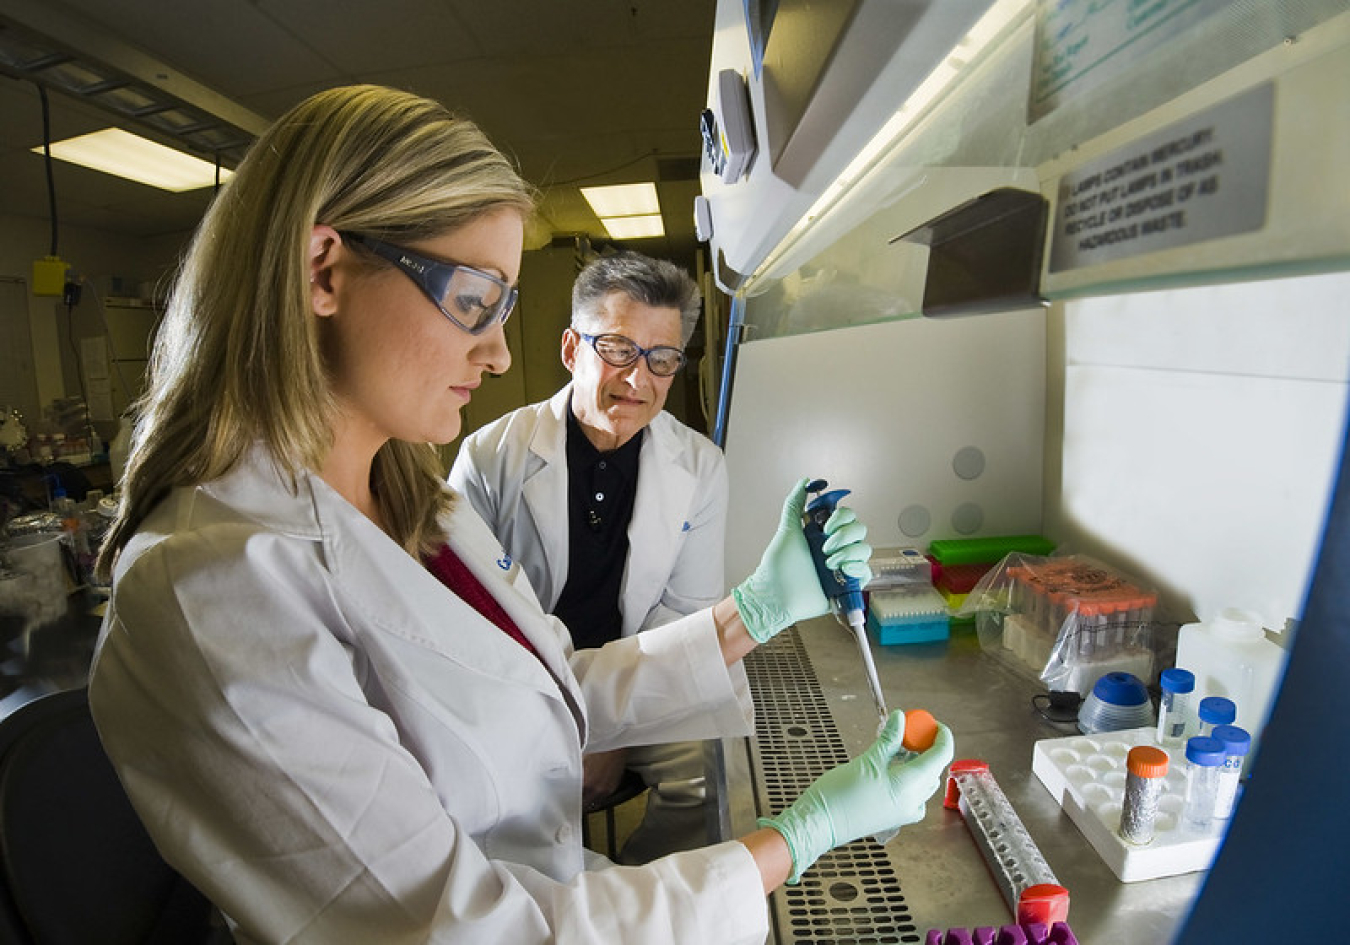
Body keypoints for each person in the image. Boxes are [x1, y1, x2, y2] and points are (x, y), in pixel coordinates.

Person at [90, 84, 954, 945]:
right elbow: (473, 931)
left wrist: (754, 610)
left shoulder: (411, 496)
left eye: (502, 310)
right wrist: (791, 842)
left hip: (573, 887)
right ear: (324, 270)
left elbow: (549, 688)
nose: (501, 352)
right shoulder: (212, 587)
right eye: (474, 300)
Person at [449, 250, 725, 863]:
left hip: (641, 683)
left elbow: (682, 613)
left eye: (662, 360)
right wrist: (569, 722)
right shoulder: (490, 457)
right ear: (573, 349)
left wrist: (612, 729)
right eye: (619, 349)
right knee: (497, 803)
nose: (638, 380)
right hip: (519, 686)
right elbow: (473, 615)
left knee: (707, 777)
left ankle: (636, 895)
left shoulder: (701, 465)